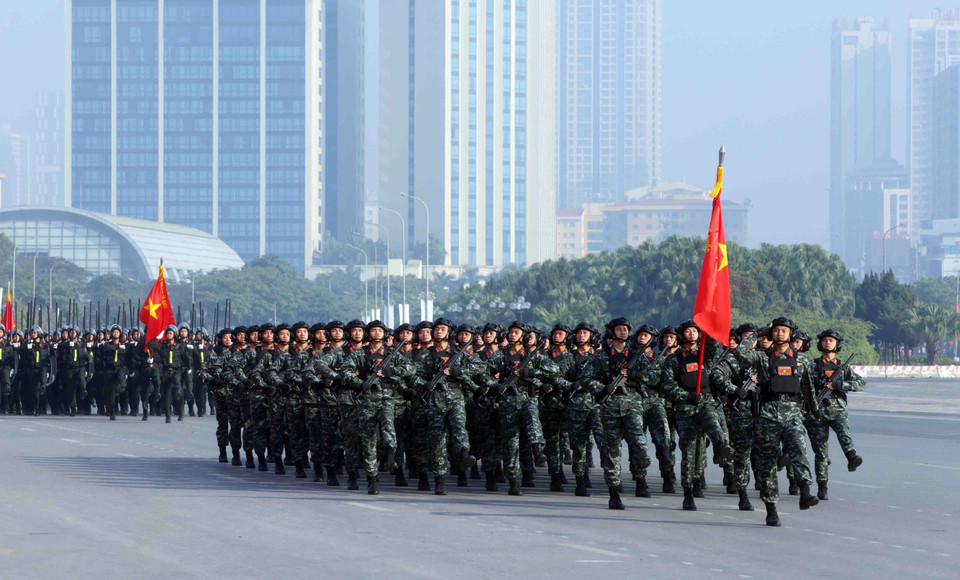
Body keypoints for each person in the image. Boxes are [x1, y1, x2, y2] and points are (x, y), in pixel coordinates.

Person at [732, 317, 820, 526]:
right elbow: (741, 353)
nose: (780, 334)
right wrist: (759, 332)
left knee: (799, 449)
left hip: (793, 414)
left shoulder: (802, 361)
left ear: (791, 334)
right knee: (768, 464)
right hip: (768, 416)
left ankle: (805, 491)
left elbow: (808, 389)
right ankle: (771, 508)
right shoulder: (763, 358)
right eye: (777, 331)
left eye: (784, 331)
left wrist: (815, 410)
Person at [582, 318, 657, 509]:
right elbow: (586, 379)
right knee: (612, 453)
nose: (623, 332)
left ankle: (641, 462)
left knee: (638, 437)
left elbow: (654, 377)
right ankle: (614, 493)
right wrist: (602, 387)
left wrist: (635, 375)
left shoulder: (636, 355)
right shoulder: (601, 356)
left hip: (632, 404)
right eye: (619, 329)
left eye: (625, 329)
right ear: (612, 332)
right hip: (610, 409)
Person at [660, 320, 734, 512]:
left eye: (695, 331)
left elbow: (712, 346)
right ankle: (688, 492)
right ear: (682, 335)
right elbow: (667, 385)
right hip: (685, 407)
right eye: (688, 331)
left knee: (713, 423)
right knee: (690, 451)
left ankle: (721, 447)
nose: (692, 334)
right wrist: (686, 395)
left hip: (706, 401)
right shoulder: (674, 359)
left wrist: (707, 327)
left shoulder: (705, 355)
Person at [806, 329, 865, 500]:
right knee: (821, 452)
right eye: (825, 340)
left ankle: (851, 456)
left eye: (831, 340)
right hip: (818, 411)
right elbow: (803, 385)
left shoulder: (842, 367)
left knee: (844, 434)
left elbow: (860, 384)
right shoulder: (812, 365)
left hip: (838, 409)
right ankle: (822, 485)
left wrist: (840, 385)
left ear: (837, 344)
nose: (828, 343)